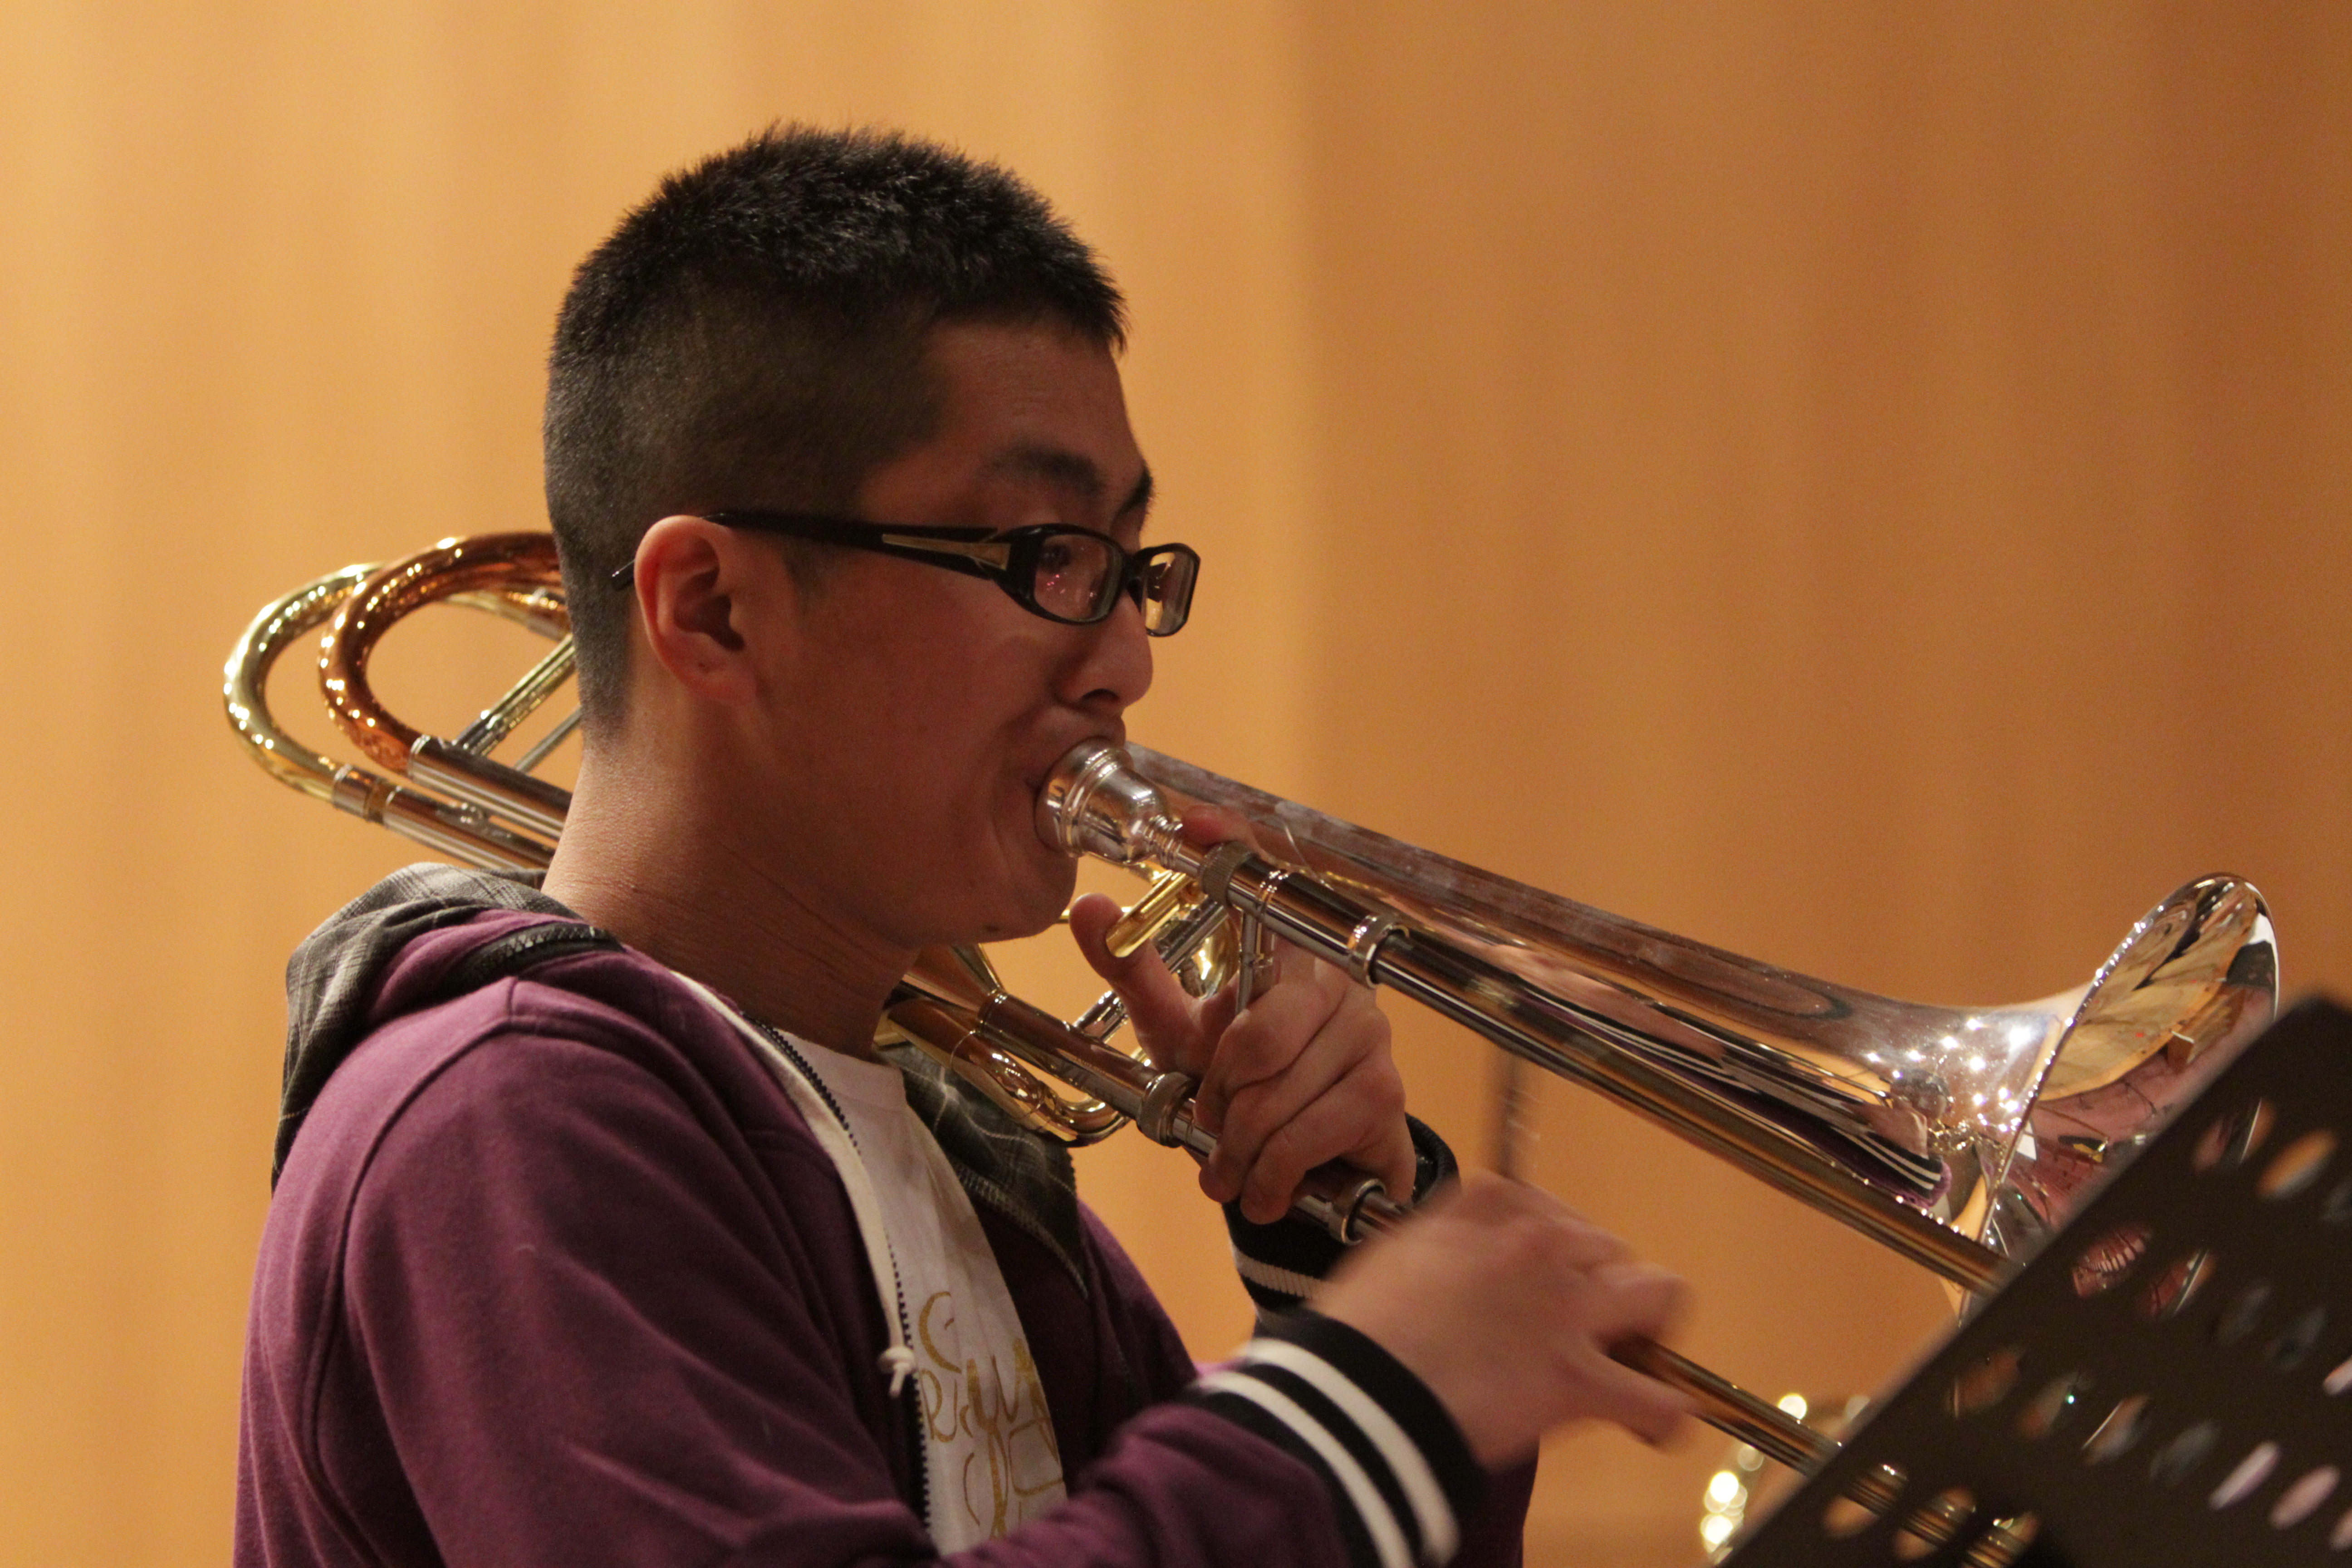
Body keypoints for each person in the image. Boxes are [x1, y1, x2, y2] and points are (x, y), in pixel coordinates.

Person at [237, 125, 1689, 1568]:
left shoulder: (959, 1157)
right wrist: (1366, 1400)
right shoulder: (507, 1117)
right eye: (1044, 557)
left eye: (1128, 567)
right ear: (715, 612)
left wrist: (1337, 1262)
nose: (1125, 660)